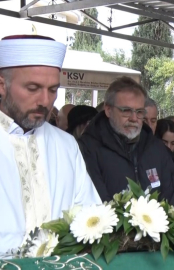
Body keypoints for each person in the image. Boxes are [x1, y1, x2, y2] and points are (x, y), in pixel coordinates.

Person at [0, 35, 101, 255]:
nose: (45, 101)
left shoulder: (66, 145)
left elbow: (90, 217)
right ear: (1, 85)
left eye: (53, 89)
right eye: (33, 88)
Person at [78, 76, 174, 207]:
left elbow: (172, 197)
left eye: (139, 112)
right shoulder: (87, 148)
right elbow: (94, 200)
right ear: (108, 110)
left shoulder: (157, 148)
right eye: (126, 111)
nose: (134, 118)